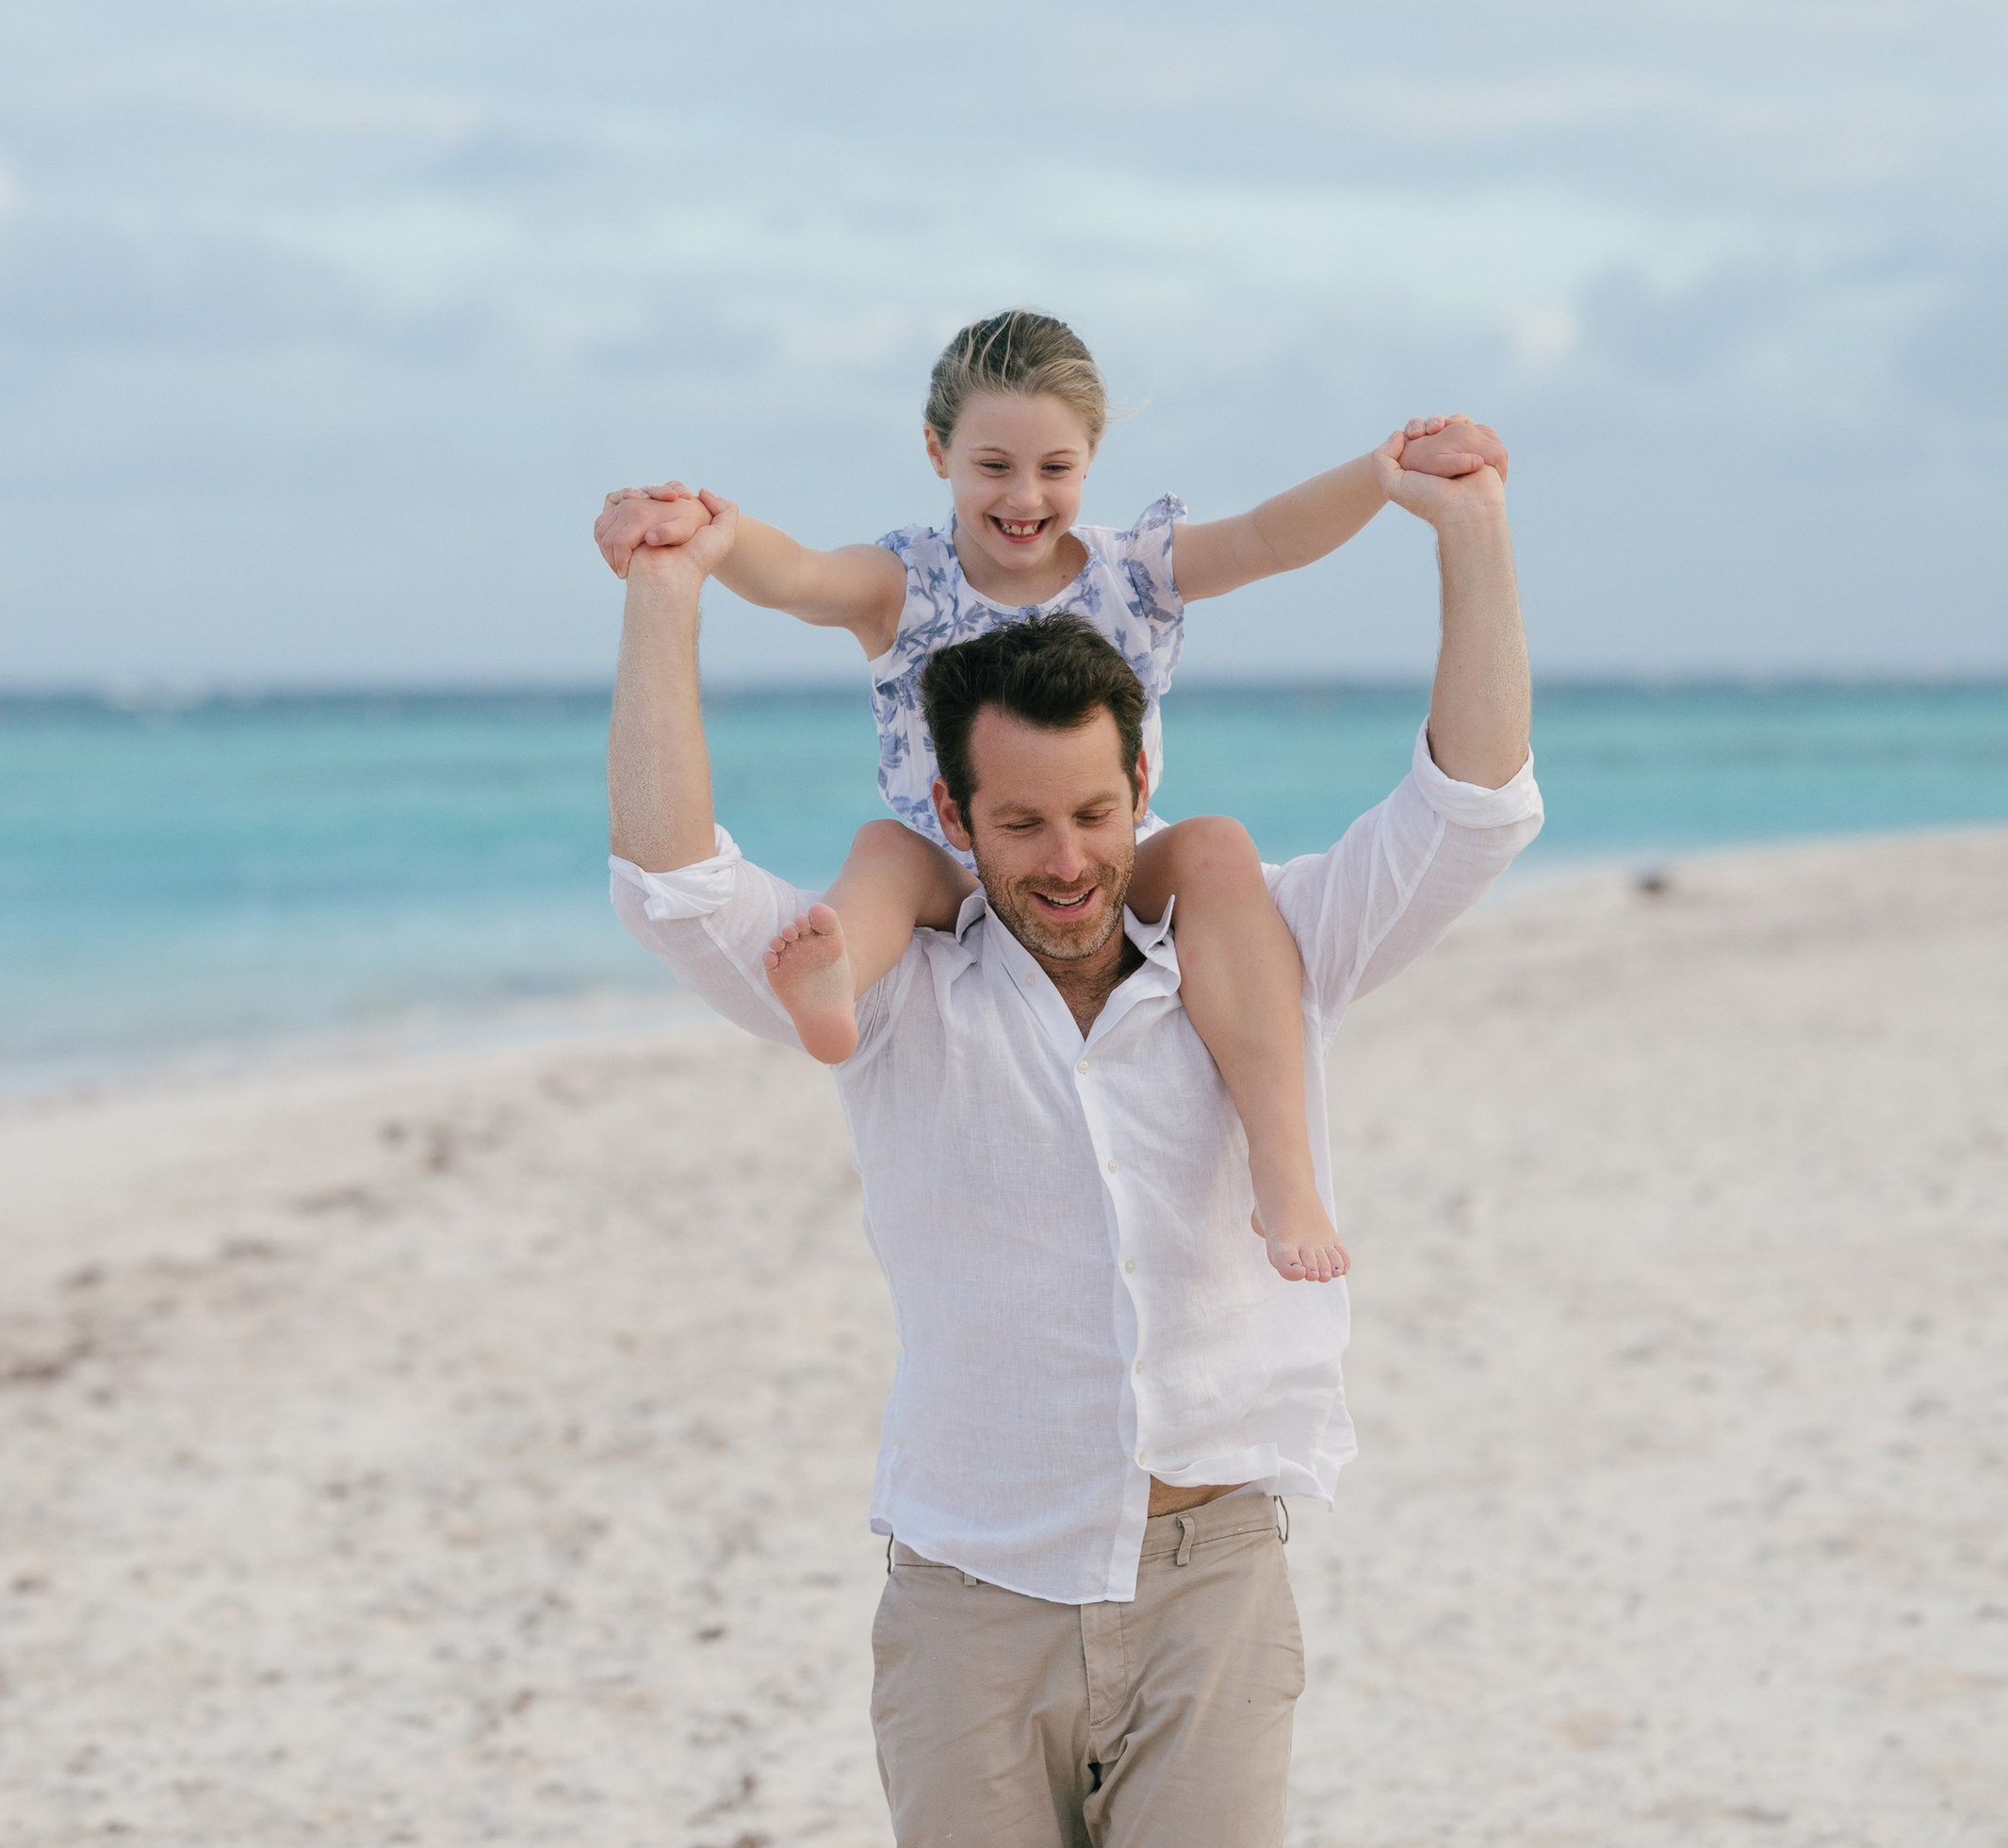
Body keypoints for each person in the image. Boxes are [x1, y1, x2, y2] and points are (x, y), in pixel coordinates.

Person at [602, 415, 1540, 1848]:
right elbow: (673, 877)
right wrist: (664, 605)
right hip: (971, 1597)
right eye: (1018, 820)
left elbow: (1468, 804)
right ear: (954, 813)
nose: (1062, 856)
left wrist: (1467, 538)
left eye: (1097, 813)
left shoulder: (1257, 951)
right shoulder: (899, 995)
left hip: (1212, 1578)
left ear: (1141, 786)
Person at [596, 307, 1504, 1282]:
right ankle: (835, 985)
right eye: (993, 466)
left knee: (1216, 846)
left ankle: (1284, 1173)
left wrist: (1382, 475)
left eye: (1055, 467)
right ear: (937, 450)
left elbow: (1270, 537)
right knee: (884, 855)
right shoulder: (902, 582)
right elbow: (797, 577)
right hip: (953, 863)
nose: (1025, 496)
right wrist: (712, 536)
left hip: (1114, 857)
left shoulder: (1137, 572)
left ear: (1091, 456)